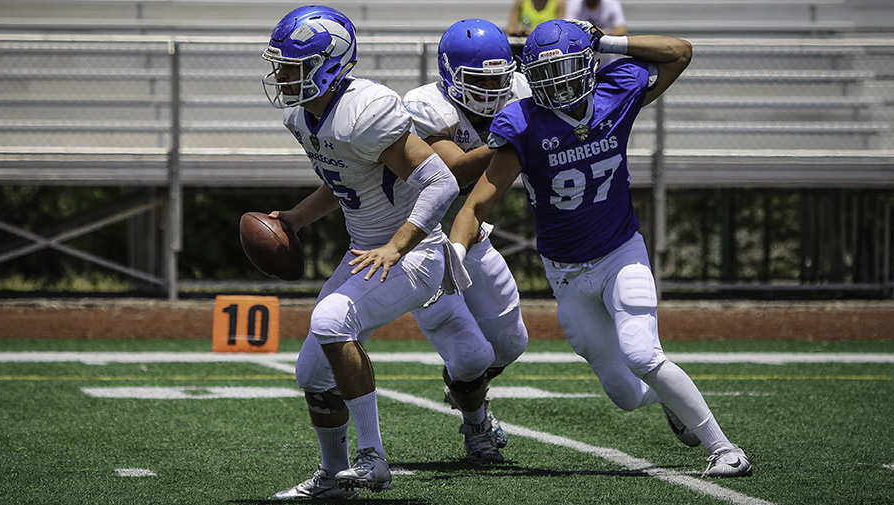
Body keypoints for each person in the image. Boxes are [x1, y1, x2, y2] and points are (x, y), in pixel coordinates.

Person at [450, 19, 753, 478]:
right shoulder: (523, 121)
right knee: (625, 393)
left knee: (642, 355)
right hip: (566, 275)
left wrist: (607, 39)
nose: (558, 83)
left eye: (569, 69)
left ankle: (725, 448)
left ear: (590, 64)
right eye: (546, 75)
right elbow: (477, 204)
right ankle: (672, 400)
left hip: (620, 252)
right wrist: (455, 252)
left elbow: (680, 51)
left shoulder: (616, 93)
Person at [259, 5, 497, 499]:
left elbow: (439, 180)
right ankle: (333, 478)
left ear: (329, 64)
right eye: (279, 63)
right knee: (311, 373)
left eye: (291, 65)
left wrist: (397, 244)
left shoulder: (366, 110)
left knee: (329, 322)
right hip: (367, 251)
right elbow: (343, 180)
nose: (281, 75)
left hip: (416, 254)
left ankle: (373, 460)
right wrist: (296, 218)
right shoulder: (302, 115)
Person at [402, 18, 531, 458]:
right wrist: (514, 138)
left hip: (473, 234)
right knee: (473, 356)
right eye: (481, 79)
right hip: (420, 242)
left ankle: (462, 385)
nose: (495, 87)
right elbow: (454, 170)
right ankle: (477, 428)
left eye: (500, 76)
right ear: (450, 75)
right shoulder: (427, 106)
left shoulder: (519, 93)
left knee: (512, 343)